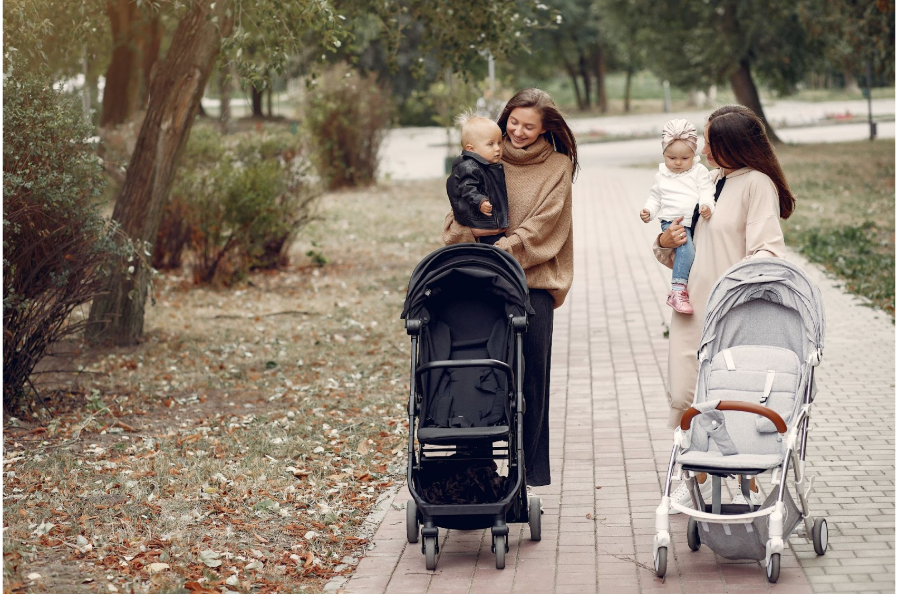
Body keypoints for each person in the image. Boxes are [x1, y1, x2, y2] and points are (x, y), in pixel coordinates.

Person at [655, 105, 795, 511]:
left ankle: (727, 480)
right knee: (685, 394)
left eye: (710, 139)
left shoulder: (757, 185)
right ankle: (702, 476)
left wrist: (740, 284)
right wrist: (664, 245)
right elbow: (684, 246)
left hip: (732, 314)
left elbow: (768, 249)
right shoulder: (706, 181)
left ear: (732, 144)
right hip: (690, 310)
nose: (702, 146)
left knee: (729, 397)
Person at [443, 88, 578, 487]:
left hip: (532, 279)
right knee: (475, 371)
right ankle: (473, 466)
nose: (517, 132)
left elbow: (546, 223)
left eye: (528, 126)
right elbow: (459, 214)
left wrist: (507, 247)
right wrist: (466, 233)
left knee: (532, 376)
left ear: (545, 128)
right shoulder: (481, 157)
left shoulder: (558, 167)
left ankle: (528, 472)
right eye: (513, 123)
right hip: (480, 278)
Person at [640, 119, 716, 315]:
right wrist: (648, 210)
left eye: (684, 158)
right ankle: (677, 291)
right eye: (671, 158)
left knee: (688, 251)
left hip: (692, 219)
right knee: (687, 250)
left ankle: (681, 290)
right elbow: (655, 197)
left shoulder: (699, 172)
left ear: (694, 154)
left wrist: (707, 205)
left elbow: (706, 190)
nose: (678, 163)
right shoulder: (662, 175)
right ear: (664, 154)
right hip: (672, 221)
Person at [446, 115, 509, 246]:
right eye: (490, 144)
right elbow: (467, 187)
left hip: (487, 222)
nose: (497, 148)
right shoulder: (469, 167)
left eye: (499, 143)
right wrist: (480, 201)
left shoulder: (486, 165)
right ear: (471, 149)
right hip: (480, 221)